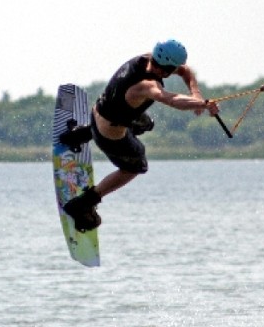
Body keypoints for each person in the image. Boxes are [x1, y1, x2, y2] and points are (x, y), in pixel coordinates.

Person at [62, 39, 219, 232]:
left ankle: (80, 134)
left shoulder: (145, 59)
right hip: (109, 134)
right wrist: (201, 104)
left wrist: (195, 93)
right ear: (165, 70)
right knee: (135, 166)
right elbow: (172, 99)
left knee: (146, 123)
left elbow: (185, 70)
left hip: (98, 114)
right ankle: (84, 203)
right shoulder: (147, 85)